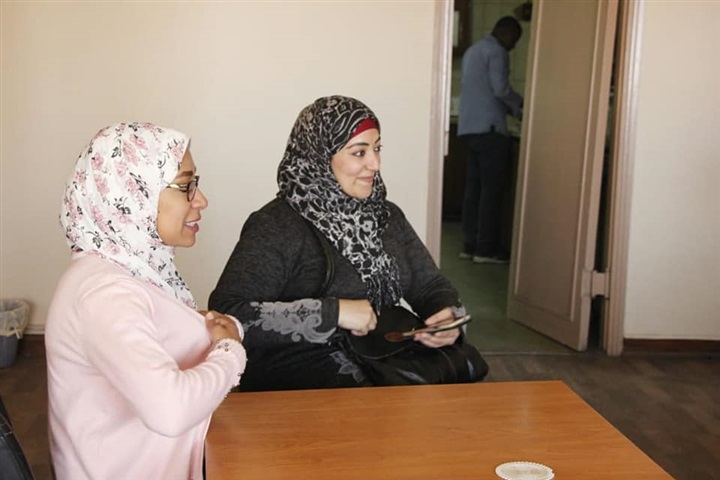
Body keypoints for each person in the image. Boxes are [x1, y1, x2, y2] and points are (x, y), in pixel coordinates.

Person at [209, 95, 467, 391]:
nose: (375, 164)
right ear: (319, 155)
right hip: (299, 386)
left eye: (377, 148)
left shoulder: (386, 216)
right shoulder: (276, 225)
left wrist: (446, 317)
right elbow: (228, 314)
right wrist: (333, 313)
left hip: (378, 361)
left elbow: (429, 285)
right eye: (359, 152)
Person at [45, 122, 247, 479]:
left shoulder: (124, 269)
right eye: (185, 186)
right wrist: (230, 352)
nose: (201, 200)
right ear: (131, 194)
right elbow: (171, 411)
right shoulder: (106, 293)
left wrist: (208, 329)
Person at [457, 16, 524, 264]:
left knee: (473, 190)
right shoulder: (497, 52)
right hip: (490, 130)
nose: (513, 46)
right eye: (515, 40)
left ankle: (469, 244)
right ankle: (486, 249)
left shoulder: (473, 51)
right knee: (491, 192)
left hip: (469, 129)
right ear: (507, 33)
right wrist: (521, 106)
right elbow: (500, 89)